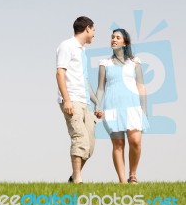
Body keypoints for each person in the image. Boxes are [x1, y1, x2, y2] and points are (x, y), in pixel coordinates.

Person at [95, 28, 150, 184]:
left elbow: (141, 86)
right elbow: (100, 88)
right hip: (112, 107)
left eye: (117, 37)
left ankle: (132, 174)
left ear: (125, 42)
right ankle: (122, 181)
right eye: (112, 37)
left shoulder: (134, 62)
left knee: (135, 141)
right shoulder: (104, 63)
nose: (114, 39)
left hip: (133, 107)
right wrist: (97, 105)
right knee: (118, 144)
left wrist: (144, 109)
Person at [56, 16, 98, 184]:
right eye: (94, 30)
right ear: (87, 28)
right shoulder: (67, 46)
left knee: (89, 145)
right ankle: (78, 180)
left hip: (84, 101)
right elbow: (60, 73)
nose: (94, 34)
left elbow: (84, 79)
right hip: (71, 99)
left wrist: (96, 103)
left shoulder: (83, 51)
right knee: (79, 138)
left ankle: (73, 177)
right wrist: (67, 100)